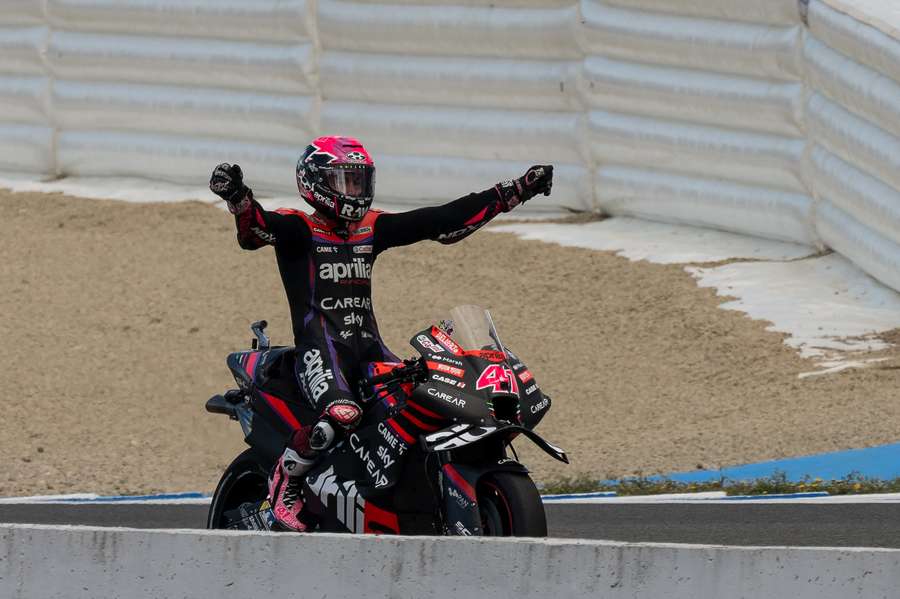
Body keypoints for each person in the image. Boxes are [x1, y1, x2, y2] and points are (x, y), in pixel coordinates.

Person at [209, 135, 553, 531]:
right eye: (344, 181)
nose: (354, 191)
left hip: (369, 349)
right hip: (320, 352)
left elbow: (442, 220)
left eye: (358, 181)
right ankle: (286, 483)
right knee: (342, 413)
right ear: (316, 182)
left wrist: (515, 190)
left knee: (423, 389)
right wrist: (239, 199)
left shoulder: (369, 229)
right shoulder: (298, 227)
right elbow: (255, 231)